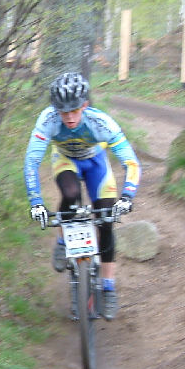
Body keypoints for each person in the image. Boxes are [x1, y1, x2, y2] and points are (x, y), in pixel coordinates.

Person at [24, 72, 141, 321]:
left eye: (74, 110)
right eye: (62, 112)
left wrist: (127, 196)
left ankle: (108, 286)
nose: (68, 117)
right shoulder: (48, 120)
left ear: (84, 105)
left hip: (95, 163)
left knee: (106, 220)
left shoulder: (101, 123)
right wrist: (36, 202)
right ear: (55, 109)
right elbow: (32, 162)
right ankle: (62, 241)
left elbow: (131, 162)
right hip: (66, 160)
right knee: (71, 194)